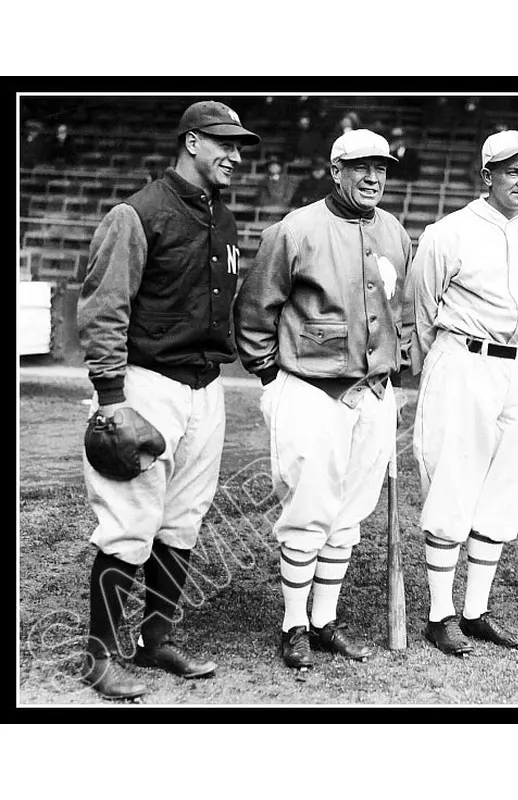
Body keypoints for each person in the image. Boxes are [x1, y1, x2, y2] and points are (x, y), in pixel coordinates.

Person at [76, 100, 260, 700]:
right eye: (223, 144)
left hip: (205, 388)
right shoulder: (137, 214)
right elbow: (104, 308)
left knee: (182, 523)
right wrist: (111, 399)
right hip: (144, 384)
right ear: (191, 143)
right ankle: (100, 657)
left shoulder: (225, 219)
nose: (235, 156)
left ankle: (154, 639)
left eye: (239, 146)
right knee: (129, 523)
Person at [234, 128, 411, 672]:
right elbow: (254, 312)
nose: (373, 176)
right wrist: (273, 379)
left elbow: (398, 314)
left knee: (348, 516)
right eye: (360, 166)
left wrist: (392, 372)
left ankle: (324, 620)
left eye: (381, 167)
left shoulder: (394, 230)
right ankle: (292, 624)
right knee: (308, 512)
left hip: (373, 394)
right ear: (336, 171)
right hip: (310, 391)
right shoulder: (296, 229)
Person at [405, 130, 518, 656]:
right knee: (453, 479)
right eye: (512, 170)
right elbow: (422, 311)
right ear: (486, 175)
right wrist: (442, 367)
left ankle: (475, 610)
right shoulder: (448, 233)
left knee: (507, 486)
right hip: (465, 360)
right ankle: (439, 614)